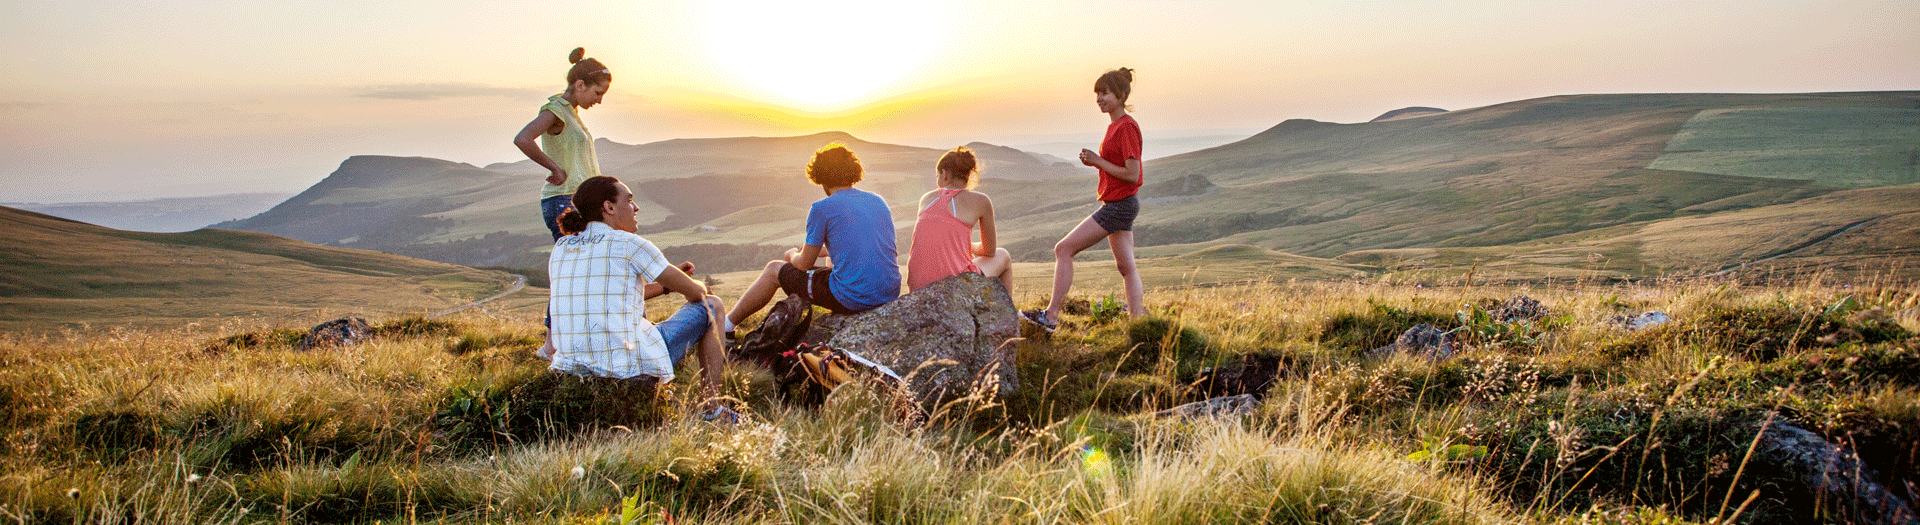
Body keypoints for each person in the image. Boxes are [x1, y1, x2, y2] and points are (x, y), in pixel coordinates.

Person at [547, 176, 737, 421]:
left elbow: (612, 298)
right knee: (713, 305)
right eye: (629, 200)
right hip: (625, 368)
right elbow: (696, 293)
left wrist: (666, 286)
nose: (636, 208)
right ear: (609, 207)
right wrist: (693, 283)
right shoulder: (629, 243)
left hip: (571, 369)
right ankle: (712, 410)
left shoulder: (561, 248)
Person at [724, 143, 901, 331]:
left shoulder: (822, 208)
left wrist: (791, 255)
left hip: (854, 298)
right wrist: (826, 251)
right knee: (831, 261)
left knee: (773, 270)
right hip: (888, 293)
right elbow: (867, 245)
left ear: (820, 177)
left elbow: (803, 264)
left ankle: (726, 326)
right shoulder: (877, 200)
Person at [1022, 67, 1146, 332]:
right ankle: (1138, 324)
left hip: (1119, 205)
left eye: (1105, 93)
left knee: (1063, 249)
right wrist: (1098, 164)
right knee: (1127, 268)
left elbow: (1132, 174)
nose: (1099, 98)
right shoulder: (1116, 125)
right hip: (1122, 202)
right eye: (1097, 94)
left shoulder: (1125, 127)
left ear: (1121, 95)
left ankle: (1051, 316)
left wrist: (1098, 161)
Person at [512, 47, 612, 356]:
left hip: (576, 200)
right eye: (597, 92)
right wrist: (554, 168)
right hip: (562, 201)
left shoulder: (572, 115)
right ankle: (551, 345)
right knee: (572, 271)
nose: (600, 100)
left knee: (578, 270)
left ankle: (556, 343)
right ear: (580, 85)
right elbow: (523, 138)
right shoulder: (555, 111)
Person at [906, 146, 1013, 293]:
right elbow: (990, 252)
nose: (938, 181)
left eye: (937, 176)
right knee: (1003, 255)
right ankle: (1007, 315)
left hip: (917, 290)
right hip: (954, 291)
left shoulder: (926, 199)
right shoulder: (981, 200)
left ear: (944, 174)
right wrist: (972, 246)